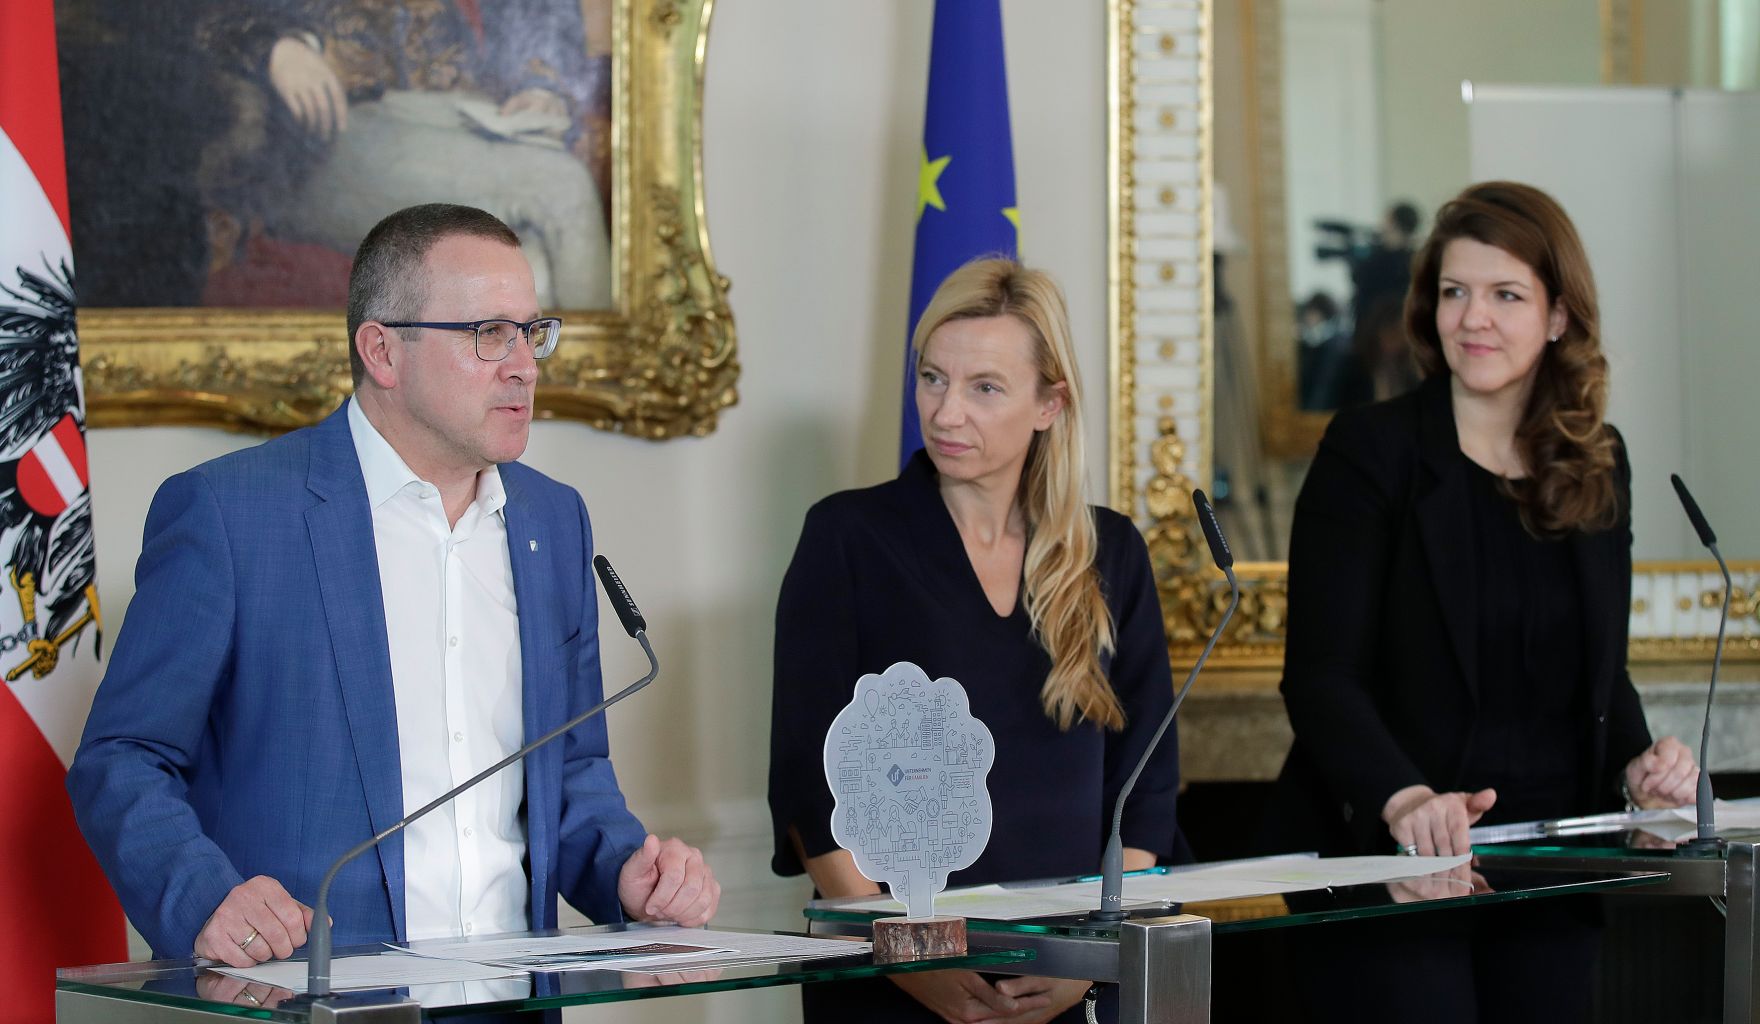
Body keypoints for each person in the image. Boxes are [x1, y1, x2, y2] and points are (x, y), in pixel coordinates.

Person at [67, 203, 717, 968]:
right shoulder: (231, 516)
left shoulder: (555, 519)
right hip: (315, 999)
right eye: (490, 335)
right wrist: (203, 896)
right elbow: (124, 755)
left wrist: (625, 871)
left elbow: (568, 768)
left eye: (533, 332)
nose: (525, 366)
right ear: (382, 351)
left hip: (513, 1000)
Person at [1260, 181, 1698, 1022]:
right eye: (1455, 293)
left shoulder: (1598, 459)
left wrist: (1640, 770)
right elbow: (1321, 676)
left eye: (1506, 295)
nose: (1473, 319)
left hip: (1553, 867)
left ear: (1560, 316)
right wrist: (1406, 801)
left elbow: (1600, 677)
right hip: (1391, 867)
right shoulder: (1371, 451)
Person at [768, 258, 1185, 1024]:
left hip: (1073, 973)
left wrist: (1087, 960)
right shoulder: (847, 537)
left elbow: (1147, 794)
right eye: (933, 379)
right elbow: (807, 790)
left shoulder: (1110, 550)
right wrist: (912, 962)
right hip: (893, 976)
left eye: (984, 388)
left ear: (1049, 403)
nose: (946, 412)